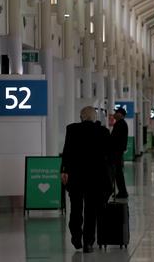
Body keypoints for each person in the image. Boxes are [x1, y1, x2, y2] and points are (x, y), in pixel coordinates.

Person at [61, 106, 112, 253]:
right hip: (96, 178)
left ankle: (76, 237)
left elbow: (67, 152)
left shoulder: (71, 129)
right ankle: (88, 242)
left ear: (81, 117)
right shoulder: (103, 131)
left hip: (76, 176)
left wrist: (64, 171)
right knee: (91, 210)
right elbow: (108, 155)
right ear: (95, 117)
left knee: (76, 208)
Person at [111, 107, 129, 199]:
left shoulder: (120, 124)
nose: (114, 114)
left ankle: (123, 192)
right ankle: (122, 191)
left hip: (116, 152)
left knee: (118, 173)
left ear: (120, 114)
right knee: (118, 173)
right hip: (118, 152)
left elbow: (114, 139)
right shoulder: (120, 123)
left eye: (116, 112)